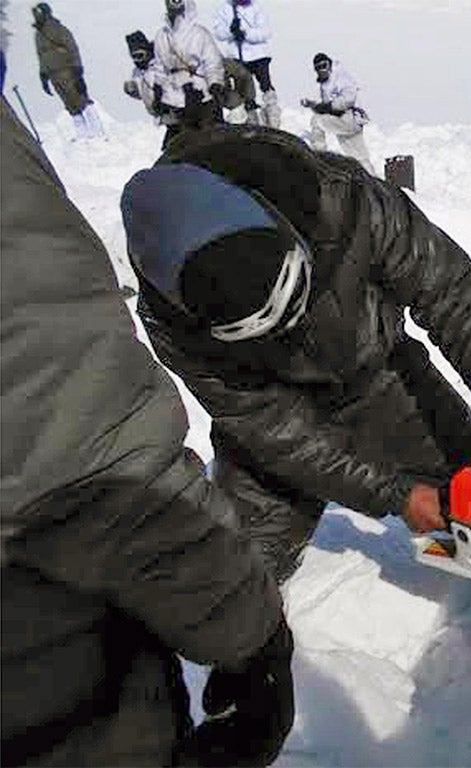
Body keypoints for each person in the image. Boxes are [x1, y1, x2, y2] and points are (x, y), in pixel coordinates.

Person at [119, 125, 471, 583]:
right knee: (237, 578)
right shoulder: (172, 325)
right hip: (276, 425)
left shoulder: (343, 199)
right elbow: (275, 428)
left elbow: (450, 293)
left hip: (383, 377)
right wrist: (396, 494)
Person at [1, 99, 294, 765]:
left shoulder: (340, 203)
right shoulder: (182, 325)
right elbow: (83, 454)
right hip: (51, 699)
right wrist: (252, 634)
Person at [31, 2, 103, 139]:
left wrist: (77, 67)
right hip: (53, 73)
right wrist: (43, 75)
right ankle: (82, 132)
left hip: (66, 70)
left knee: (80, 98)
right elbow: (41, 55)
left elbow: (72, 47)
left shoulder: (58, 29)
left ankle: (97, 130)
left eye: (39, 13)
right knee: (69, 103)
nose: (36, 16)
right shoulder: (38, 35)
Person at [154, 0, 225, 134]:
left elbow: (212, 62)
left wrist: (215, 84)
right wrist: (158, 90)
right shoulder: (161, 36)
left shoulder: (199, 34)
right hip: (174, 98)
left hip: (201, 95)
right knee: (178, 144)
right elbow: (159, 67)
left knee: (209, 138)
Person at [300, 52, 375, 175]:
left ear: (330, 64)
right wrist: (313, 105)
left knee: (316, 121)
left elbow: (348, 99)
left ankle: (318, 157)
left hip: (349, 118)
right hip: (345, 121)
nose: (322, 70)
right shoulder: (326, 83)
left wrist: (327, 107)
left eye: (324, 65)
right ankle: (374, 183)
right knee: (358, 157)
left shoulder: (341, 77)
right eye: (318, 68)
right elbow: (326, 107)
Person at [212, 0, 280, 128]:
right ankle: (250, 119)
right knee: (245, 90)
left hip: (259, 55)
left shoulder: (257, 9)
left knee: (266, 87)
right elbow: (218, 33)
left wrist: (246, 34)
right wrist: (231, 31)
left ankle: (273, 118)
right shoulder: (225, 9)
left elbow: (266, 32)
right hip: (237, 57)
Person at [123, 30, 182, 149]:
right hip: (165, 118)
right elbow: (145, 93)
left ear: (147, 51)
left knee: (175, 147)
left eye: (140, 55)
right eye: (134, 57)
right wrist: (133, 91)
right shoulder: (138, 72)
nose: (138, 61)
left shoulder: (160, 65)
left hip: (178, 116)